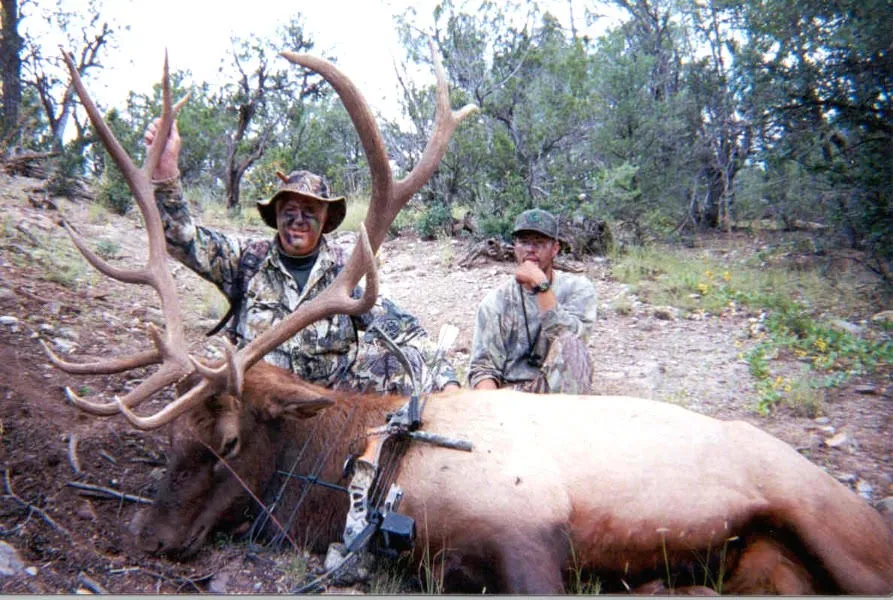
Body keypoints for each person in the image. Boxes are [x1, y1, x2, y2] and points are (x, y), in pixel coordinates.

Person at [144, 120, 460, 395]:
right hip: (260, 406)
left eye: (309, 212)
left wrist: (448, 383)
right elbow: (181, 240)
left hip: (326, 405)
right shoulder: (245, 260)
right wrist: (166, 174)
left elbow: (404, 329)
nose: (298, 219)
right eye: (289, 210)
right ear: (276, 215)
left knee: (401, 362)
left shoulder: (347, 271)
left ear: (326, 220)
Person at [468, 208, 597, 394]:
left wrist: (541, 287)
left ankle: (569, 419)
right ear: (515, 246)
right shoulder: (495, 302)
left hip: (555, 391)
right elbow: (483, 369)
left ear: (555, 249)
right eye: (524, 242)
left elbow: (573, 339)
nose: (530, 250)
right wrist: (493, 410)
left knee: (575, 351)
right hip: (511, 395)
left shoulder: (577, 289)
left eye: (539, 243)